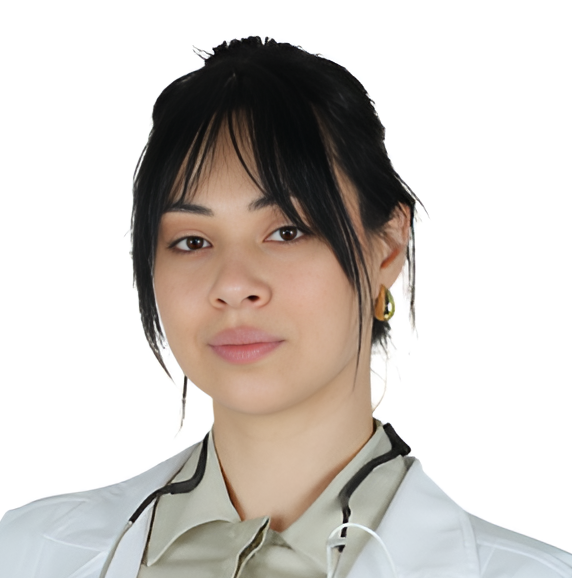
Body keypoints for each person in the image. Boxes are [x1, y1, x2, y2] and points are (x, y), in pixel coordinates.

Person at [0, 36, 570, 578]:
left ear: (388, 246)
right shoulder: (23, 555)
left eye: (288, 231)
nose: (233, 285)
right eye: (192, 241)